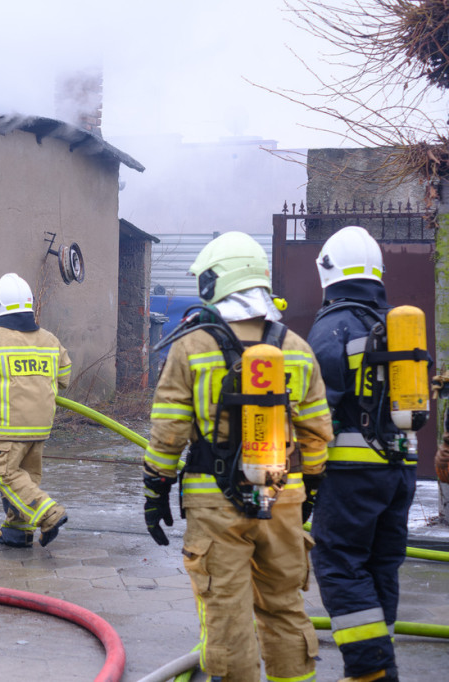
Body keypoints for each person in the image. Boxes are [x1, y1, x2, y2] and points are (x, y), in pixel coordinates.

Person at [143, 231, 332, 681]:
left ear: (216, 282)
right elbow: (318, 434)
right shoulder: (297, 348)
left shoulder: (193, 346)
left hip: (215, 504)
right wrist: (309, 492)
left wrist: (155, 491)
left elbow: (169, 432)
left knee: (227, 618)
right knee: (286, 608)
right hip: (284, 497)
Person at [306, 225, 421, 682]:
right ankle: (380, 660)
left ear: (327, 270)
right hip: (400, 472)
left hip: (352, 475)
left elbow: (316, 409)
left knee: (339, 564)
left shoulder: (333, 326)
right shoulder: (396, 323)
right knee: (381, 566)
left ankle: (369, 671)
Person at [0, 273, 71, 549]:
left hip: (7, 427)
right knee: (27, 477)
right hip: (40, 427)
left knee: (7, 476)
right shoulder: (50, 340)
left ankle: (49, 513)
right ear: (29, 303)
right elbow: (65, 377)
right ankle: (17, 530)